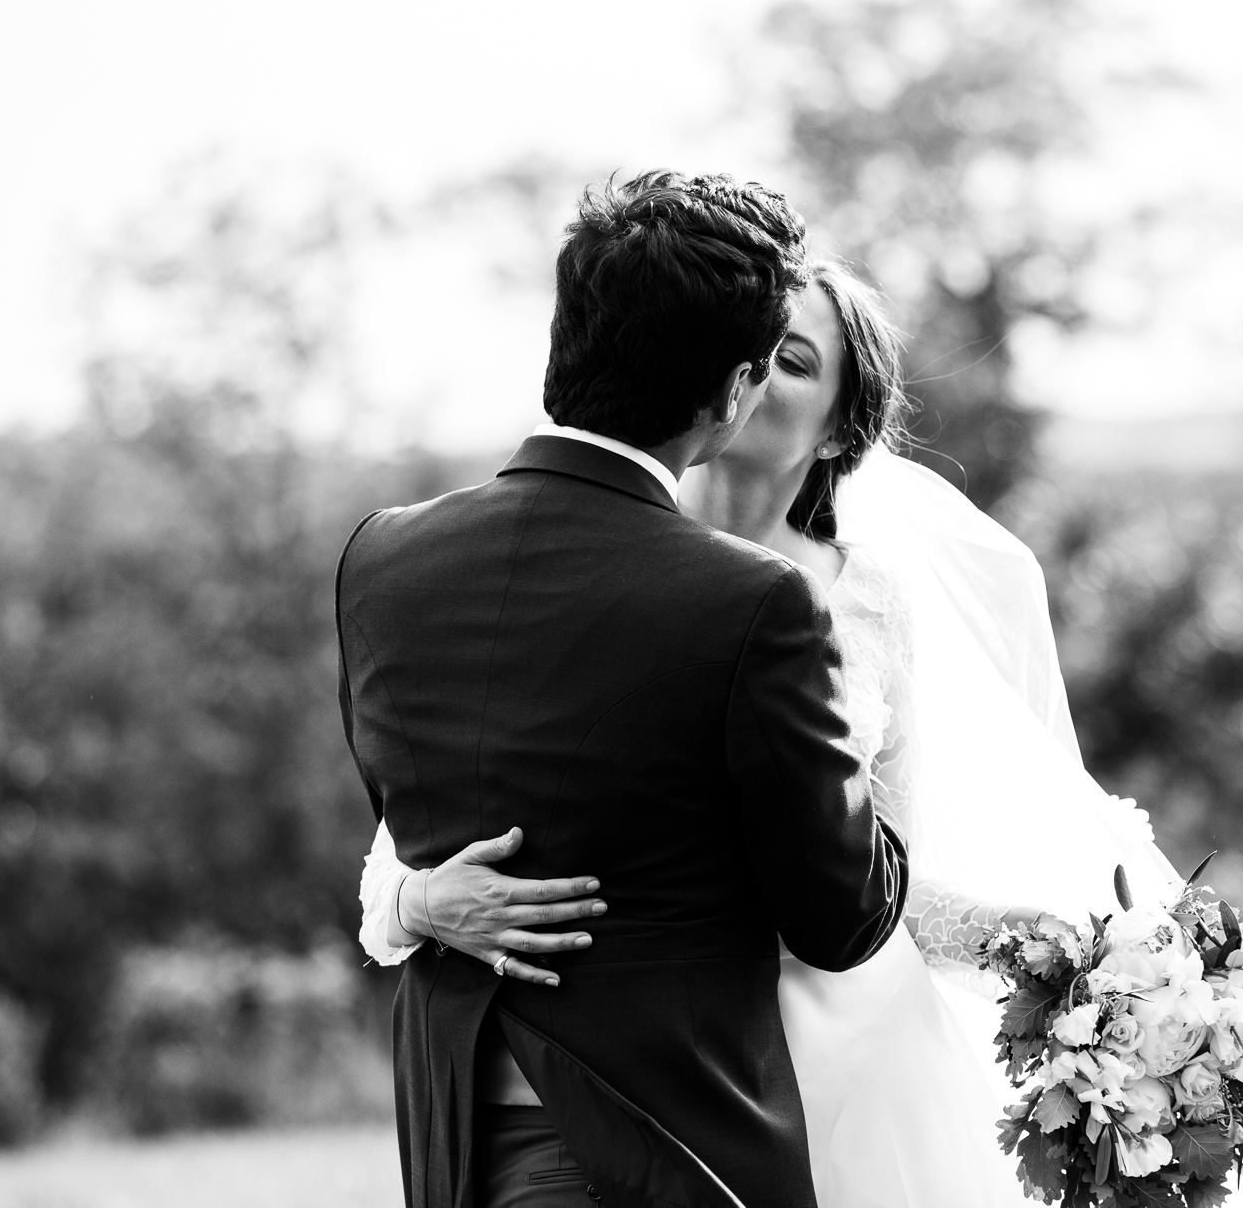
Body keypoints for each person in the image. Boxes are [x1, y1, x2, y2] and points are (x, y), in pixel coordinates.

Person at [360, 259, 1243, 1208]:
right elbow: (431, 820)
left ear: (840, 431)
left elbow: (879, 864)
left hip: (829, 1040)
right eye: (749, 348)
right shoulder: (589, 564)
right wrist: (416, 896)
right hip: (646, 1053)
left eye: (790, 359)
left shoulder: (862, 596)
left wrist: (1030, 945)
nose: (753, 373)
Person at [335, 170, 909, 1208]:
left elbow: (415, 826)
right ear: (731, 392)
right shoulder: (752, 604)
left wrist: (419, 897)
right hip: (649, 1155)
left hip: (452, 1141)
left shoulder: (381, 557)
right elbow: (839, 916)